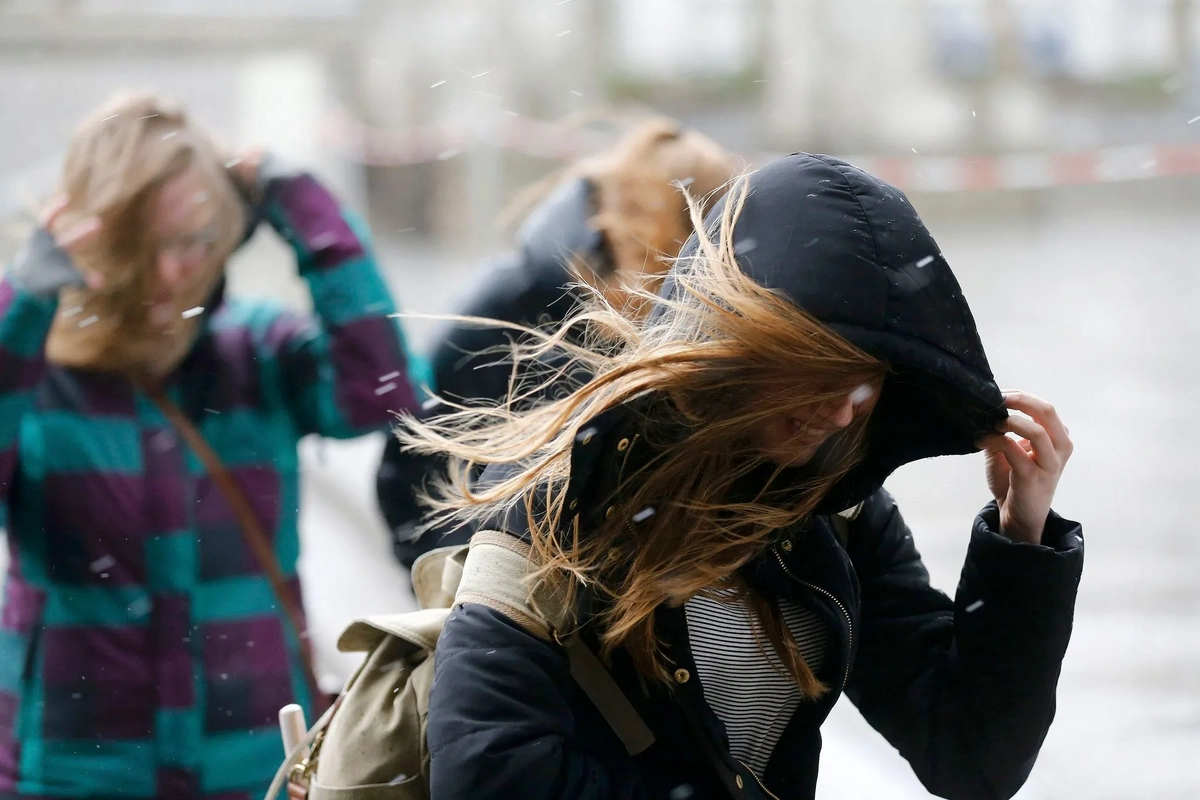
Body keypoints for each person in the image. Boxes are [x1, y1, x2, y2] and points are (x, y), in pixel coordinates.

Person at [403, 153, 1083, 800]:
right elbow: (484, 775)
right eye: (819, 373)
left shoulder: (840, 511)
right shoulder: (561, 496)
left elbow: (968, 755)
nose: (844, 410)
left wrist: (1021, 538)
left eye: (869, 379)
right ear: (738, 347)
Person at [0, 93, 418, 799]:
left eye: (195, 241)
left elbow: (380, 391)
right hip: (75, 772)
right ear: (94, 243)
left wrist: (309, 212)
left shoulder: (256, 353)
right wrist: (18, 313)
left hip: (257, 764)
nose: (172, 273)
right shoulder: (37, 374)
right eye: (146, 246)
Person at [377, 118, 739, 567]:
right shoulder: (512, 306)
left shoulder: (706, 326)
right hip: (501, 597)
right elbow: (415, 466)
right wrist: (479, 587)